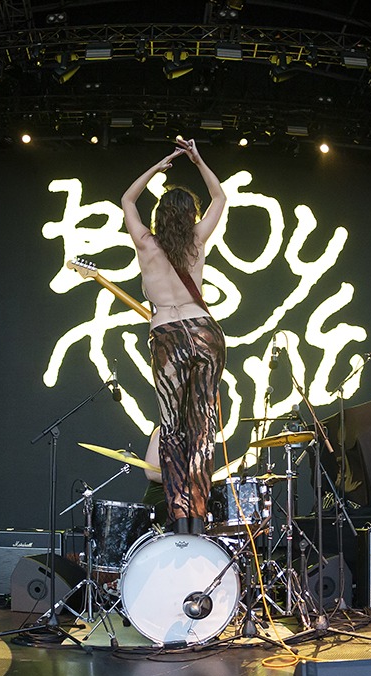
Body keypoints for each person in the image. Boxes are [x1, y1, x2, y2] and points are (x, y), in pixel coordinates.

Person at [121, 138, 226, 534]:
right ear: (190, 216)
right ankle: (199, 519)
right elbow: (220, 196)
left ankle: (180, 517)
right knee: (202, 428)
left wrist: (157, 167)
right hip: (205, 333)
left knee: (172, 428)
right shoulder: (197, 241)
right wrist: (198, 160)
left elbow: (127, 201)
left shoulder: (146, 244)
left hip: (168, 338)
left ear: (161, 215)